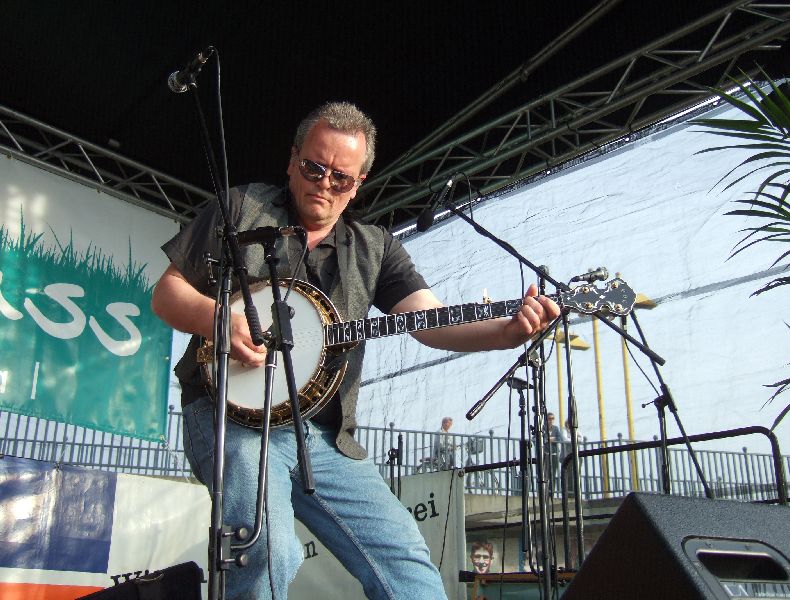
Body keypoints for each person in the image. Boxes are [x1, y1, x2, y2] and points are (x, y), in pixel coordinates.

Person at [151, 101, 560, 600]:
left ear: (358, 183)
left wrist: (505, 332)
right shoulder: (241, 208)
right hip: (232, 420)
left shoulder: (375, 248)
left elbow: (430, 321)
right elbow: (167, 293)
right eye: (313, 168)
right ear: (292, 160)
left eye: (340, 177)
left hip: (326, 438)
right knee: (267, 551)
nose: (324, 183)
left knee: (406, 565)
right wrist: (220, 319)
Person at [546, 412, 563, 485]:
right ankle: (545, 490)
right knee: (545, 473)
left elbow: (560, 438)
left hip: (554, 454)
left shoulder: (555, 428)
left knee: (553, 473)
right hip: (546, 454)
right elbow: (536, 438)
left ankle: (552, 490)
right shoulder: (543, 428)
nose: (551, 420)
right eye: (549, 419)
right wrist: (547, 439)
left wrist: (553, 439)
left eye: (552, 418)